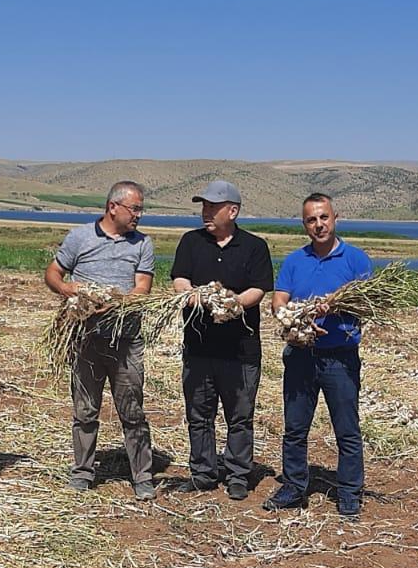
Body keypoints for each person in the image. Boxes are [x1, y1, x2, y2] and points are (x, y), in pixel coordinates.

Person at [45, 181, 157, 499]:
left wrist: (116, 302)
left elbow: (143, 288)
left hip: (125, 341)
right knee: (85, 411)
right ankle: (82, 473)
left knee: (132, 410)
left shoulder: (143, 244)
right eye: (134, 208)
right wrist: (69, 291)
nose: (139, 215)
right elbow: (53, 273)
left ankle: (143, 476)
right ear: (113, 207)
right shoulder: (79, 237)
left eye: (140, 209)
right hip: (86, 340)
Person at [265, 193, 372, 519]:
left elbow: (369, 305)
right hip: (300, 355)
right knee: (295, 428)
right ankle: (294, 487)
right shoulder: (296, 261)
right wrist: (292, 315)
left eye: (323, 217)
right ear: (304, 224)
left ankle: (350, 493)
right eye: (311, 220)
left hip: (340, 358)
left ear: (335, 218)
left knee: (347, 429)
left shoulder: (356, 260)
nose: (319, 224)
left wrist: (337, 303)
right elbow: (278, 299)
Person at [169, 179, 273, 500]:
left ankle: (238, 474)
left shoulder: (254, 246)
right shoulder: (190, 242)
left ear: (233, 211)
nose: (206, 213)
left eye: (212, 207)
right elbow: (180, 279)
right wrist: (194, 297)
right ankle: (202, 473)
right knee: (199, 414)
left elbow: (259, 288)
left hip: (240, 351)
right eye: (203, 206)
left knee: (239, 416)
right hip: (199, 348)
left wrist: (234, 304)